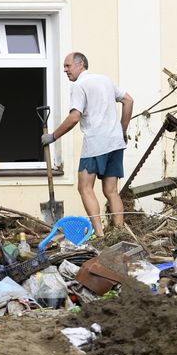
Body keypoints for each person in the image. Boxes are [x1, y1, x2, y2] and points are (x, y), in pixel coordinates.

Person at [41, 52, 133, 237]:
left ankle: (100, 235)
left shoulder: (79, 85)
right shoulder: (105, 80)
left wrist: (53, 136)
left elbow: (75, 117)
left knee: (84, 187)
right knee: (111, 190)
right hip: (115, 142)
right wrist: (122, 129)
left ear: (80, 64)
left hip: (96, 143)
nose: (65, 70)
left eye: (68, 66)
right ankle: (120, 232)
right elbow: (128, 100)